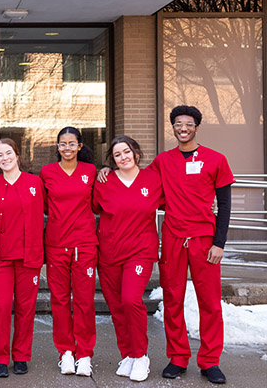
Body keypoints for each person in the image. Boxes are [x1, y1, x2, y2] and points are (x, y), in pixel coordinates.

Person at [154, 106, 234, 385]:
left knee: (210, 302)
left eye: (188, 123)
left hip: (204, 239)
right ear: (173, 127)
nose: (183, 128)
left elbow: (224, 205)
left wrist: (219, 242)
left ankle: (210, 361)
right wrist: (107, 172)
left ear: (196, 127)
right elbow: (140, 185)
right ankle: (177, 357)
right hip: (174, 238)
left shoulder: (216, 159)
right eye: (178, 123)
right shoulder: (163, 161)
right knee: (172, 299)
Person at [93, 136, 164, 383]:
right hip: (110, 252)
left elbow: (175, 200)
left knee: (131, 299)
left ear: (135, 152)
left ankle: (141, 355)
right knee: (116, 306)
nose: (123, 157)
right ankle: (128, 355)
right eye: (117, 155)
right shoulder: (104, 181)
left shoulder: (153, 180)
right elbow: (93, 208)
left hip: (140, 251)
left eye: (126, 152)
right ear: (112, 160)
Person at [39, 127, 98, 377]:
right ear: (57, 147)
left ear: (80, 146)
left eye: (71, 143)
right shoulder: (47, 172)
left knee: (84, 301)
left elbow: (97, 202)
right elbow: (42, 205)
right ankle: (66, 352)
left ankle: (84, 353)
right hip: (56, 243)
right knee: (60, 300)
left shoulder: (91, 171)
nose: (67, 148)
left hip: (84, 243)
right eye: (62, 144)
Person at [0, 138, 44, 378]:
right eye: (0, 155)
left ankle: (21, 356)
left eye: (8, 153)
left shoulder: (35, 182)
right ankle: (0, 358)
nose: (5, 158)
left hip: (28, 255)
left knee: (25, 308)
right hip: (1, 257)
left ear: (17, 155)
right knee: (1, 307)